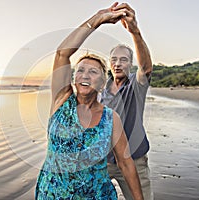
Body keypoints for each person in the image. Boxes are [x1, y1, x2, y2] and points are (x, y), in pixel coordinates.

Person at [35, 3, 144, 200]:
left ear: (103, 83)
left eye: (93, 72)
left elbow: (126, 163)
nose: (85, 75)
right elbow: (62, 53)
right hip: (53, 194)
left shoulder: (111, 119)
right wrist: (98, 19)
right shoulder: (62, 100)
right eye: (81, 70)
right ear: (74, 78)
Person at [100, 3, 154, 200]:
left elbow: (146, 68)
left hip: (134, 161)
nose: (117, 63)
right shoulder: (100, 91)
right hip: (103, 162)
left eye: (123, 60)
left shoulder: (136, 86)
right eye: (114, 59)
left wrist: (135, 32)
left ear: (130, 64)